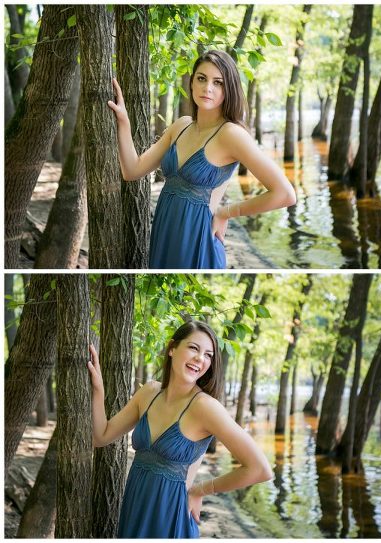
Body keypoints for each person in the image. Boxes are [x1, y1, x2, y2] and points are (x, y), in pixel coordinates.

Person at [108, 50, 296, 269]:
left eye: (218, 83)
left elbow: (285, 194)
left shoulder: (230, 134)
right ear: (192, 82)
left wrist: (226, 213)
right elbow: (132, 170)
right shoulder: (181, 125)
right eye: (201, 78)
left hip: (198, 239)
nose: (208, 88)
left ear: (229, 89)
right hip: (165, 234)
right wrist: (123, 121)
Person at [88, 320, 273, 538]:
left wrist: (200, 490)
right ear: (172, 349)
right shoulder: (149, 392)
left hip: (170, 516)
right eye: (194, 348)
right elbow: (100, 436)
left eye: (208, 355)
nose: (200, 359)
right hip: (134, 508)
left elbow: (260, 469)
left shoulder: (205, 407)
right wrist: (98, 389)